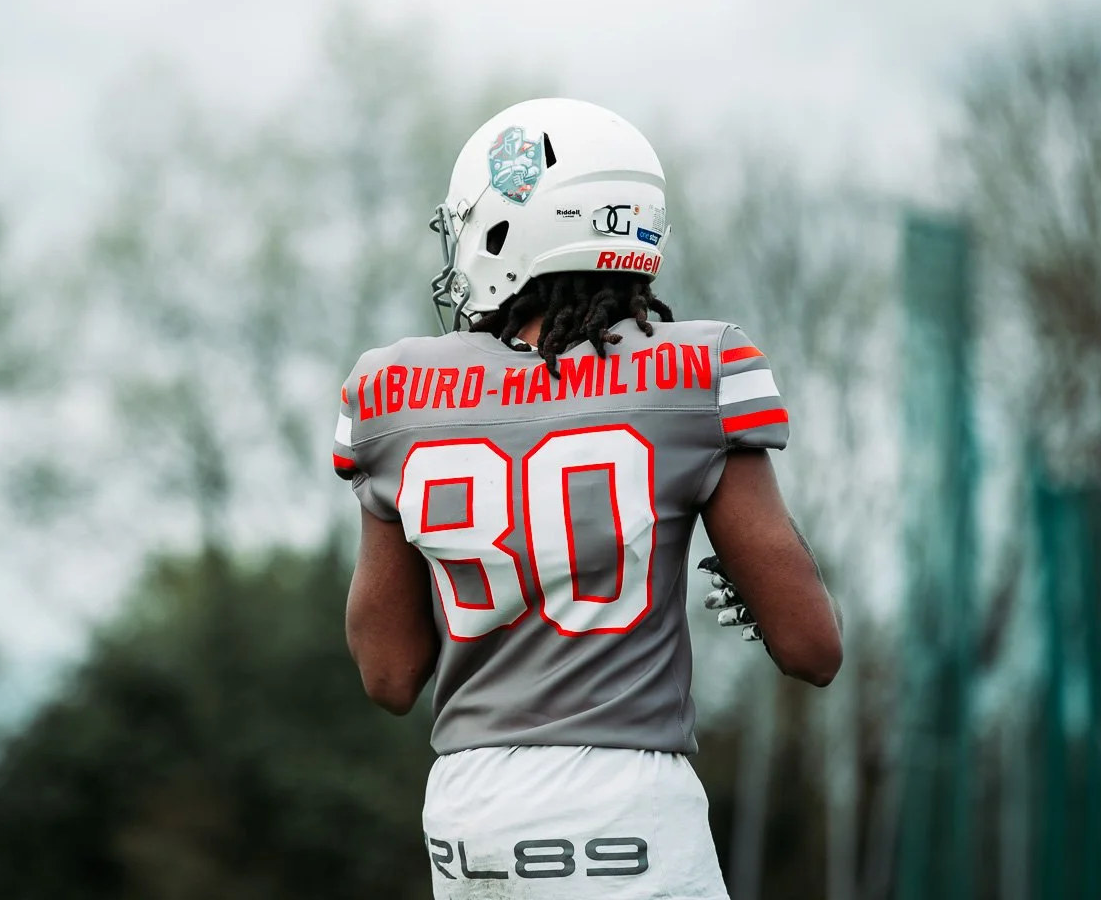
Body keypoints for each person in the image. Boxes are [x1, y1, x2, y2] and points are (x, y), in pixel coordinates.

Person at [332, 98, 843, 899]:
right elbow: (813, 650)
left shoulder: (392, 388)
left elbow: (390, 677)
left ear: (503, 229)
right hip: (628, 807)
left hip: (469, 822)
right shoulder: (697, 372)